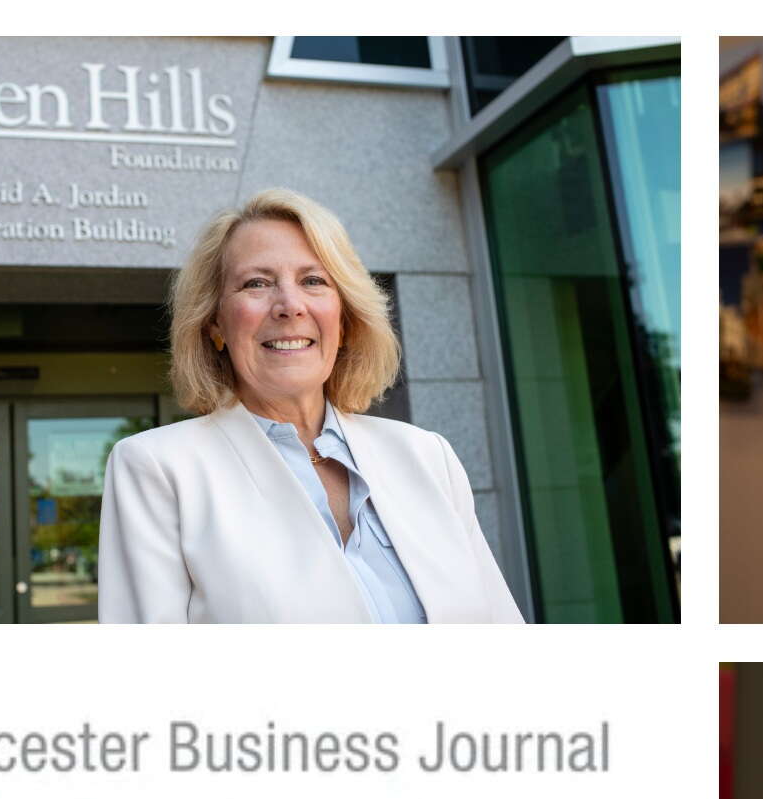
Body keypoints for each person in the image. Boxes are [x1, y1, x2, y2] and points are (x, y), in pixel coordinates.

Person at [98, 189, 526, 623]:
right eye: (257, 283)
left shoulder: (427, 456)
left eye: (313, 281)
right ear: (214, 325)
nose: (290, 306)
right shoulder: (156, 469)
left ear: (345, 317)